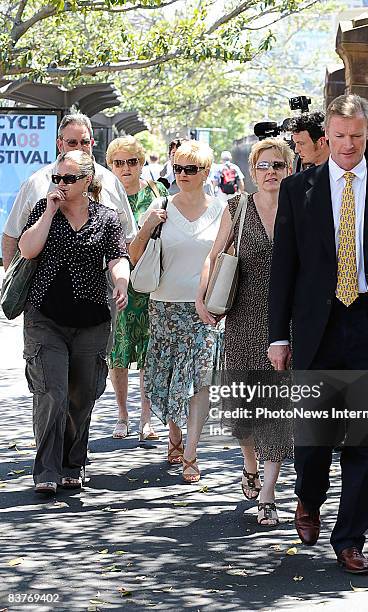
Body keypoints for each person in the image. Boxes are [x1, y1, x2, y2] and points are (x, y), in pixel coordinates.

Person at [268, 94, 368, 574]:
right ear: (326, 137)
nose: (348, 144)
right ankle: (309, 497)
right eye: (339, 136)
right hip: (319, 327)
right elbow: (284, 269)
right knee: (313, 440)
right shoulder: (299, 189)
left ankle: (350, 539)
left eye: (356, 136)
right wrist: (278, 335)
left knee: (365, 442)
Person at [19, 150, 130, 494]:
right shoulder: (44, 209)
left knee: (83, 395)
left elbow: (118, 257)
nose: (62, 185)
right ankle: (47, 471)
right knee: (52, 392)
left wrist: (121, 281)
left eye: (69, 179)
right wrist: (50, 211)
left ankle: (73, 462)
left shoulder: (107, 218)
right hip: (45, 316)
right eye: (58, 178)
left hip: (92, 318)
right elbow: (27, 249)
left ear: (87, 181)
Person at [196, 138, 294, 525]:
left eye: (279, 165)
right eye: (264, 166)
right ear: (252, 172)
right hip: (243, 319)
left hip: (287, 322)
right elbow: (215, 255)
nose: (272, 172)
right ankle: (249, 465)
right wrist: (203, 297)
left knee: (278, 405)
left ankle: (268, 491)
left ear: (290, 170)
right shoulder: (237, 208)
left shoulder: (300, 209)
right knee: (243, 410)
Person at [129, 140, 224, 482]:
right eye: (178, 169)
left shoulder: (223, 209)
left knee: (200, 378)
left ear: (205, 173)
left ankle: (192, 452)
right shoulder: (160, 206)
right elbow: (135, 255)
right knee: (169, 377)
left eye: (191, 169)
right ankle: (174, 436)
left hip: (205, 310)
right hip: (164, 306)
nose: (182, 175)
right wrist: (146, 227)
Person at [2, 113, 136, 271]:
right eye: (72, 143)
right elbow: (11, 236)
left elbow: (127, 239)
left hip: (101, 288)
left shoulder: (111, 182)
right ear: (60, 144)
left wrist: (120, 281)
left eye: (85, 142)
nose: (79, 148)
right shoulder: (37, 184)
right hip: (46, 287)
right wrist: (12, 287)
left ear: (92, 143)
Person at [106, 136, 169, 440]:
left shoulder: (158, 193)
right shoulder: (103, 196)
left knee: (147, 349)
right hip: (115, 283)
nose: (126, 168)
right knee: (118, 349)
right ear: (111, 165)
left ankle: (146, 417)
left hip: (150, 283)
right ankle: (121, 414)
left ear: (142, 163)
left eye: (133, 161)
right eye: (119, 162)